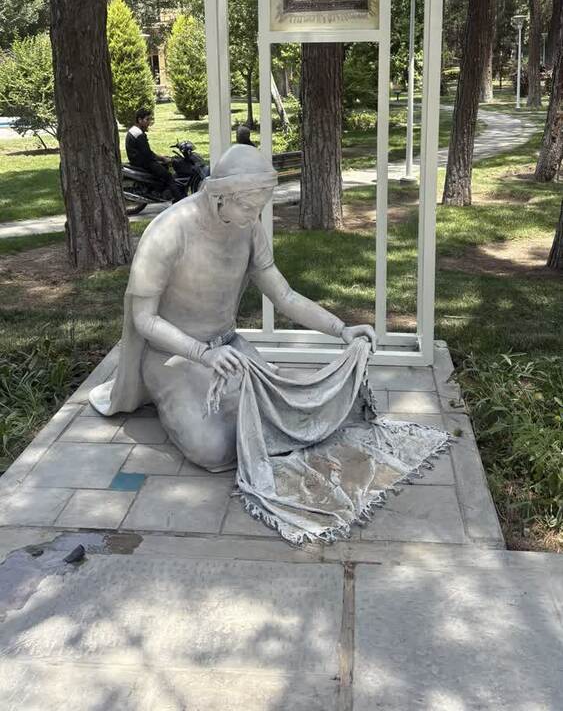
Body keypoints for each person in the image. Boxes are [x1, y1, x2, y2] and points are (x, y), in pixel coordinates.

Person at [90, 144, 449, 543]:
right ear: (219, 195)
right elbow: (144, 319)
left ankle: (230, 404)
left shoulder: (247, 227)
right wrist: (203, 354)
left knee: (296, 420)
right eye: (248, 206)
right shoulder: (168, 232)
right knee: (214, 451)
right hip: (173, 356)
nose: (254, 216)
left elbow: (284, 295)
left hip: (230, 350)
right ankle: (173, 402)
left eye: (259, 207)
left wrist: (341, 330)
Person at [125, 108, 185, 203]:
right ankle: (180, 201)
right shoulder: (139, 134)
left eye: (150, 119)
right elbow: (148, 154)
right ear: (139, 120)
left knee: (163, 166)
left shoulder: (133, 130)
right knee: (168, 176)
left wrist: (160, 158)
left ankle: (160, 190)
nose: (149, 122)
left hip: (137, 160)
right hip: (143, 162)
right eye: (147, 119)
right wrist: (162, 158)